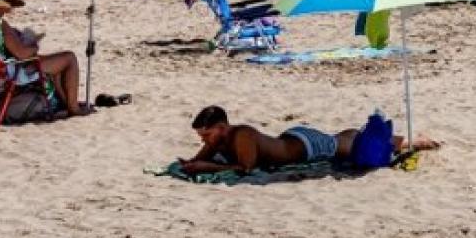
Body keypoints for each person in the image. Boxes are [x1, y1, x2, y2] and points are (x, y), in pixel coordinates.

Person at [182, 105, 439, 174]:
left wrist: (208, 167)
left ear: (222, 127)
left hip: (304, 146)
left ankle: (411, 142)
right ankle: (403, 139)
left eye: (207, 134)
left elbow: (245, 168)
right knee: (343, 140)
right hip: (291, 139)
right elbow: (194, 160)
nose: (205, 140)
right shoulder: (217, 140)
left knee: (347, 147)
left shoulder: (242, 136)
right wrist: (192, 163)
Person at [0, 0, 81, 116]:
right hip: (11, 75)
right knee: (69, 58)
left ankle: (66, 104)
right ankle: (74, 108)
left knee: (55, 66)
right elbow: (21, 54)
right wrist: (34, 45)